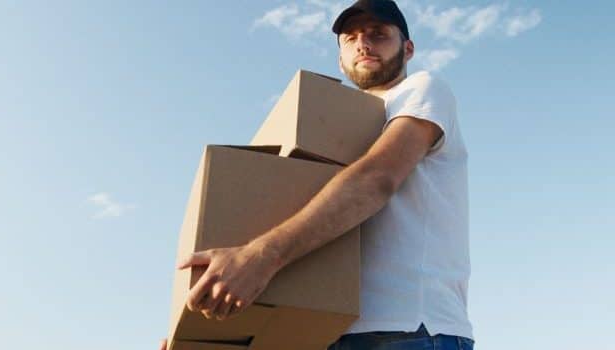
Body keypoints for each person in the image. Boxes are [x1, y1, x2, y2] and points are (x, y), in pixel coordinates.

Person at [160, 0, 473, 349]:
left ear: (408, 48)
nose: (363, 44)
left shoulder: (422, 89)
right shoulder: (331, 131)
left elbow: (377, 178)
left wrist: (259, 257)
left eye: (378, 34)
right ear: (340, 59)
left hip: (408, 329)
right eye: (351, 38)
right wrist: (190, 331)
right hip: (320, 330)